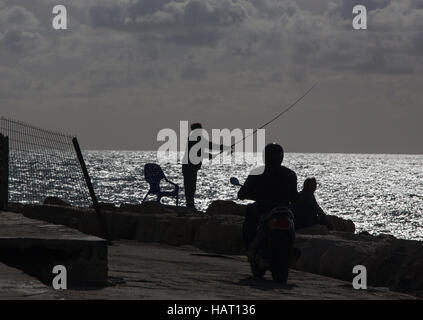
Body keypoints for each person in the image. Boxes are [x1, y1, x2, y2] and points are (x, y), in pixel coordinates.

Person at [237, 143, 298, 247]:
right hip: (284, 209)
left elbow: (242, 194)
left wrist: (247, 195)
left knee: (249, 211)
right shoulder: (290, 174)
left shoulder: (256, 172)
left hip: (263, 208)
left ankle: (250, 245)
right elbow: (295, 196)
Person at [182, 123, 230, 209]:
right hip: (189, 167)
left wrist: (222, 147)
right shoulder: (195, 139)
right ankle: (190, 205)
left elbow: (208, 146)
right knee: (190, 187)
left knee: (191, 187)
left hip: (190, 167)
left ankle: (190, 205)